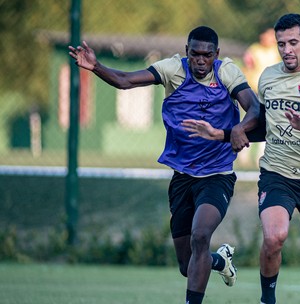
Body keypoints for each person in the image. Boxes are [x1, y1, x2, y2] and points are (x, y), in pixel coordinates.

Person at [69, 26, 260, 304]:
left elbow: (253, 107)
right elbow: (125, 80)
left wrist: (240, 129)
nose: (200, 60)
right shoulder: (172, 69)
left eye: (207, 55)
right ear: (186, 52)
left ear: (216, 55)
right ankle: (221, 261)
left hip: (217, 175)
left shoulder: (227, 72)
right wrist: (96, 66)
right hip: (182, 177)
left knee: (201, 235)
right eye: (194, 54)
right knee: (187, 264)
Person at [183, 13, 300, 304]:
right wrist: (221, 134)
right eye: (281, 43)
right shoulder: (269, 77)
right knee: (274, 237)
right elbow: (263, 129)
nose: (287, 50)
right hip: (277, 174)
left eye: (293, 42)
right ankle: (266, 301)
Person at [237, 27, 281, 167]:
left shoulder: (276, 51)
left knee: (266, 121)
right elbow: (247, 66)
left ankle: (261, 155)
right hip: (253, 89)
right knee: (248, 120)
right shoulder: (254, 50)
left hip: (269, 90)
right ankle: (242, 153)